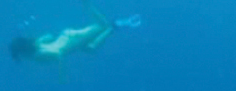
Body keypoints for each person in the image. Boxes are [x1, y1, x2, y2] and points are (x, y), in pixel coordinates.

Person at [9, 0, 141, 63]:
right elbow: (49, 37)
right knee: (91, 47)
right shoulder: (36, 43)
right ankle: (115, 25)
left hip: (71, 42)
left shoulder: (37, 55)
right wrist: (45, 40)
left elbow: (57, 53)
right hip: (68, 38)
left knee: (102, 26)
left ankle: (89, 6)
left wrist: (62, 75)